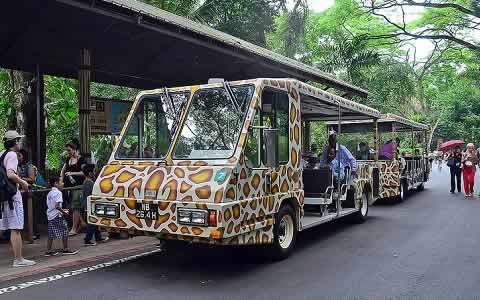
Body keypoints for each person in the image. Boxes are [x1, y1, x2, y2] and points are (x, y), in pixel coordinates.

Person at [0, 130, 36, 267]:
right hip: (12, 196)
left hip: (3, 196)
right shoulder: (12, 155)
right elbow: (10, 174)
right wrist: (23, 182)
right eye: (18, 140)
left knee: (4, 227)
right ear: (14, 142)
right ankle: (18, 259)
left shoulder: (1, 154)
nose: (20, 142)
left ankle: (19, 258)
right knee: (15, 228)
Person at [45, 176, 78, 256]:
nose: (62, 184)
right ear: (56, 184)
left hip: (50, 215)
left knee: (51, 233)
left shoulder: (50, 193)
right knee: (65, 231)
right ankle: (65, 249)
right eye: (61, 182)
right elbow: (57, 206)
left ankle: (48, 251)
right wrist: (64, 212)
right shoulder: (58, 193)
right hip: (57, 215)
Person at [60, 142, 86, 236]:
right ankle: (81, 224)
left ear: (74, 149)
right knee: (72, 206)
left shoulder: (81, 160)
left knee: (76, 207)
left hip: (79, 186)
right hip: (70, 187)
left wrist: (72, 173)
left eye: (69, 150)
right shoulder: (68, 159)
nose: (68, 152)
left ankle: (74, 228)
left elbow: (84, 173)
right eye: (67, 151)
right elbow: (62, 171)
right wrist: (61, 181)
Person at [82, 164, 109, 246]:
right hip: (90, 206)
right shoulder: (89, 183)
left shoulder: (87, 182)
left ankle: (98, 237)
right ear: (90, 173)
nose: (95, 173)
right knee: (92, 224)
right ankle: (87, 240)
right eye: (94, 171)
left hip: (89, 205)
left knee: (96, 221)